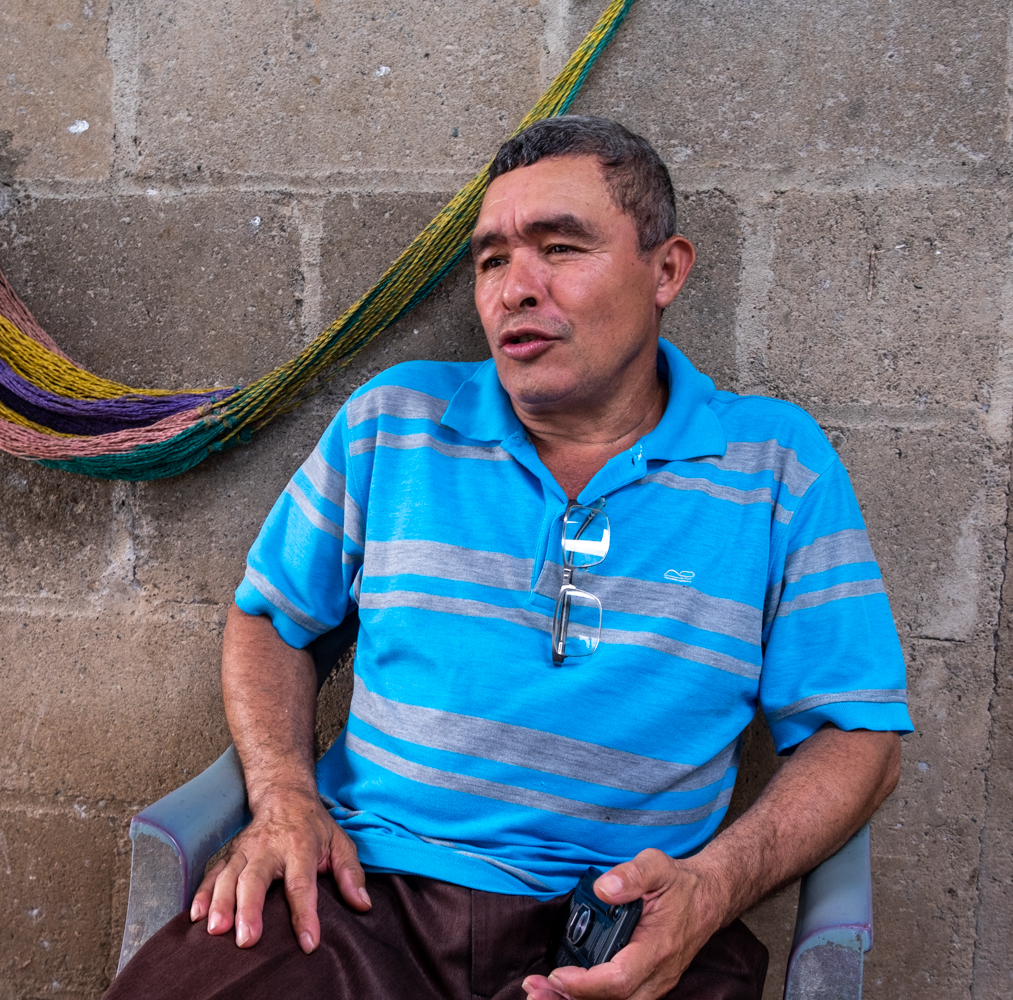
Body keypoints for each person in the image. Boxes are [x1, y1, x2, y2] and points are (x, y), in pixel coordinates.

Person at [104, 115, 912, 1000]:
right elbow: (268, 620)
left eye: (561, 248)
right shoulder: (394, 423)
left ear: (667, 269)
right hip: (359, 896)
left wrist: (714, 886)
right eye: (492, 260)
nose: (515, 289)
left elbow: (857, 729)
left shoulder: (775, 465)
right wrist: (285, 794)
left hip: (616, 923)